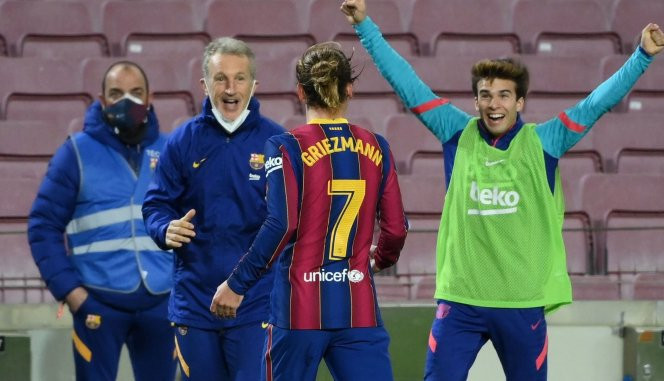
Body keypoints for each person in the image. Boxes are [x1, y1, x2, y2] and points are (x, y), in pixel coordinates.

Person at [340, 1, 664, 380]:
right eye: (485, 95)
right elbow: (408, 84)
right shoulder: (455, 132)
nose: (493, 104)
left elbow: (597, 102)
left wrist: (642, 55)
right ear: (476, 100)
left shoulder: (545, 141)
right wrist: (364, 25)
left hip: (521, 304)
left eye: (503, 95)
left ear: (520, 101)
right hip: (461, 301)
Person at [210, 41, 408, 381]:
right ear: (350, 89)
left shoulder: (286, 146)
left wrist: (237, 283)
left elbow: (281, 223)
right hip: (357, 307)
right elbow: (395, 230)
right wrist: (381, 259)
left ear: (301, 91)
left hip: (299, 311)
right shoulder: (378, 147)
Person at [141, 37, 285, 381]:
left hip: (256, 306)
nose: (231, 88)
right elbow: (155, 204)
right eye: (221, 78)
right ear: (205, 85)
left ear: (254, 84)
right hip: (195, 306)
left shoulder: (278, 143)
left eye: (240, 78)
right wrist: (165, 228)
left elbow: (288, 222)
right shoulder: (182, 141)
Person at [27, 61, 176, 381]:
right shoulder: (76, 154)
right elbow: (43, 226)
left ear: (150, 97)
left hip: (162, 304)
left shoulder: (171, 150)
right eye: (117, 93)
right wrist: (71, 292)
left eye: (136, 93)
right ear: (102, 100)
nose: (128, 102)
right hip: (97, 304)